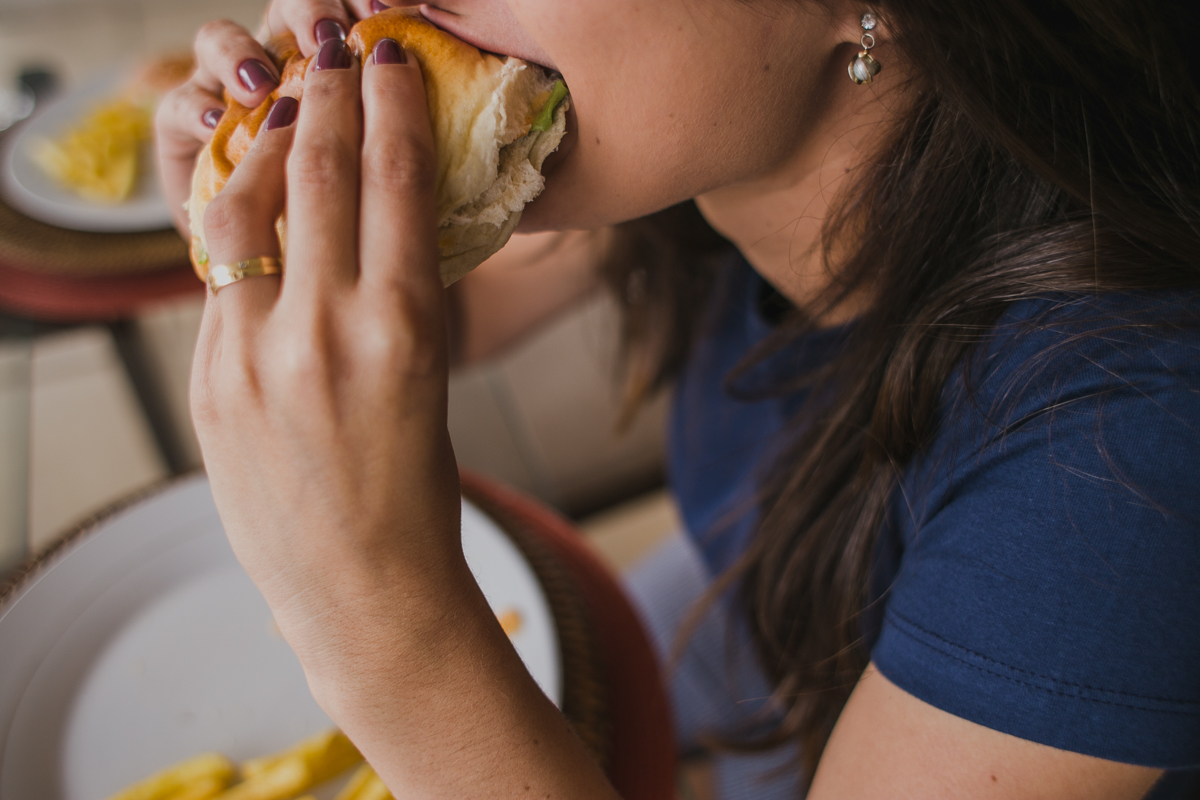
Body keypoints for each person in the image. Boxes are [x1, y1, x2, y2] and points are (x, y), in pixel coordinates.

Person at [155, 0, 1200, 797]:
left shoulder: (1118, 460)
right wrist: (268, 215)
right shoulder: (718, 151)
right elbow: (440, 319)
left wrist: (374, 617)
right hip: (758, 615)